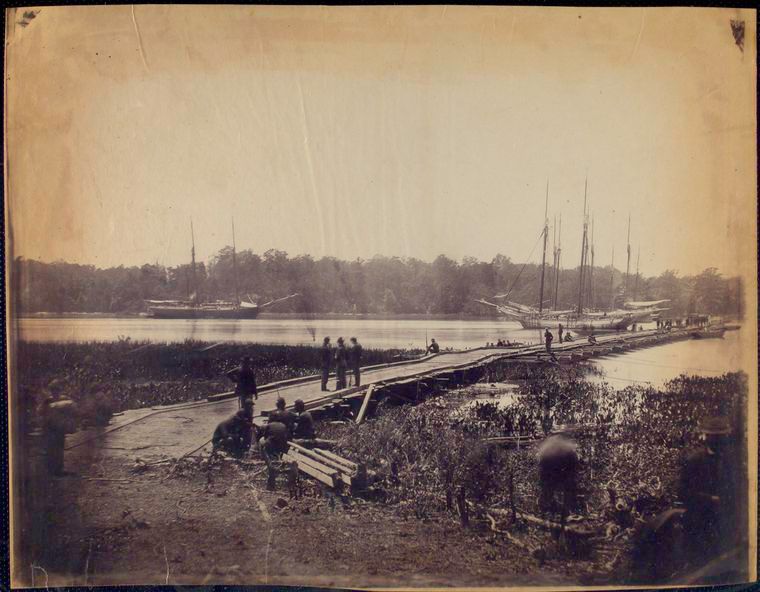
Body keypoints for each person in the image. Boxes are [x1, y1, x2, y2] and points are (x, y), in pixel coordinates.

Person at [679, 416, 736, 565]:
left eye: (722, 437)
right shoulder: (693, 461)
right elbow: (683, 492)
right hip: (700, 519)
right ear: (708, 437)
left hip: (725, 519)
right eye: (715, 437)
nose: (719, 441)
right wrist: (710, 499)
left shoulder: (730, 460)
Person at [537, 427, 579, 514]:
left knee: (547, 489)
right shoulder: (567, 446)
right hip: (554, 470)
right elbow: (574, 464)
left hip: (548, 470)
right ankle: (568, 508)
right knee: (569, 487)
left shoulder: (547, 444)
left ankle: (544, 508)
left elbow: (540, 461)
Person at [42, 380, 77, 476]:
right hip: (51, 428)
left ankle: (57, 469)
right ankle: (52, 469)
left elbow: (73, 409)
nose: (55, 392)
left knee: (58, 448)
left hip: (59, 428)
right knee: (52, 448)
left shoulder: (64, 399)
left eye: (56, 390)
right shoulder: (48, 400)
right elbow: (42, 412)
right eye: (54, 390)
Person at [258, 419, 290, 490]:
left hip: (271, 446)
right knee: (273, 460)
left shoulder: (269, 425)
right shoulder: (283, 425)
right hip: (281, 447)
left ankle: (262, 457)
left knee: (261, 442)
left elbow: (265, 437)